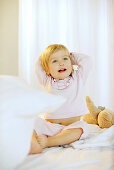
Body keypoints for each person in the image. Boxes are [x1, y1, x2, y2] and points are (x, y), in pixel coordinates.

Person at [29, 44, 92, 154]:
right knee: (30, 121)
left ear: (72, 63)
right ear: (47, 69)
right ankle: (33, 143)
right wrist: (45, 57)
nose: (61, 63)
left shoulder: (78, 77)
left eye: (65, 59)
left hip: (71, 127)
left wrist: (70, 56)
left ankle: (48, 142)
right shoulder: (46, 80)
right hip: (49, 127)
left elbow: (87, 60)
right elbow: (38, 65)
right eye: (54, 61)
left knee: (82, 128)